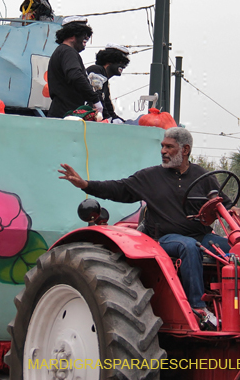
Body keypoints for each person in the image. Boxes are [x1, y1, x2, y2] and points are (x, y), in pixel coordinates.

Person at [58, 127, 230, 329]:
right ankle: (199, 308)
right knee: (189, 246)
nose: (163, 151)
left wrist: (235, 210)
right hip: (166, 238)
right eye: (162, 146)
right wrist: (85, 185)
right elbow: (119, 188)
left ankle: (235, 307)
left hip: (201, 236)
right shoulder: (151, 177)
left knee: (233, 248)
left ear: (185, 150)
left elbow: (224, 204)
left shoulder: (203, 176)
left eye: (169, 147)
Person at [46, 16, 102, 118]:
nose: (87, 38)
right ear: (72, 35)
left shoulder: (61, 51)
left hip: (61, 113)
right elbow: (75, 75)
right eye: (84, 35)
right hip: (67, 115)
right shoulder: (68, 52)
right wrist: (95, 99)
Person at [86, 44, 130, 123]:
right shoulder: (96, 70)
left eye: (124, 63)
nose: (123, 66)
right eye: (120, 62)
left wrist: (121, 121)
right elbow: (97, 96)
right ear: (110, 60)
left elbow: (107, 105)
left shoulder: (105, 81)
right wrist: (109, 119)